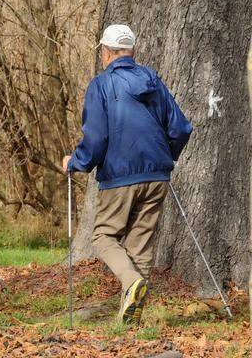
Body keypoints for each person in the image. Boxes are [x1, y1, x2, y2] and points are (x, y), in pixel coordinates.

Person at [62, 25, 193, 324]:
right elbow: (181, 128)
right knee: (140, 244)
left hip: (121, 176)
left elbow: (95, 139)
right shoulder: (152, 80)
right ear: (131, 52)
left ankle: (131, 284)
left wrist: (76, 163)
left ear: (106, 53)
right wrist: (164, 156)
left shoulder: (101, 85)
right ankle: (130, 318)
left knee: (104, 235)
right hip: (158, 175)